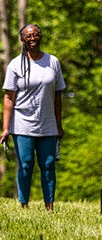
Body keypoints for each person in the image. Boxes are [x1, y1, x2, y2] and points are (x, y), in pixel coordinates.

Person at [1, 24, 65, 212]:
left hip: (48, 124)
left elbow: (58, 96)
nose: (32, 38)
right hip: (22, 124)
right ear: (22, 40)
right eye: (28, 36)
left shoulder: (52, 62)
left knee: (48, 165)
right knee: (26, 164)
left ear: (41, 37)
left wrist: (59, 125)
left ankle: (49, 206)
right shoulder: (15, 64)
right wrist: (5, 128)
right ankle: (23, 204)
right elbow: (8, 98)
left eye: (36, 35)